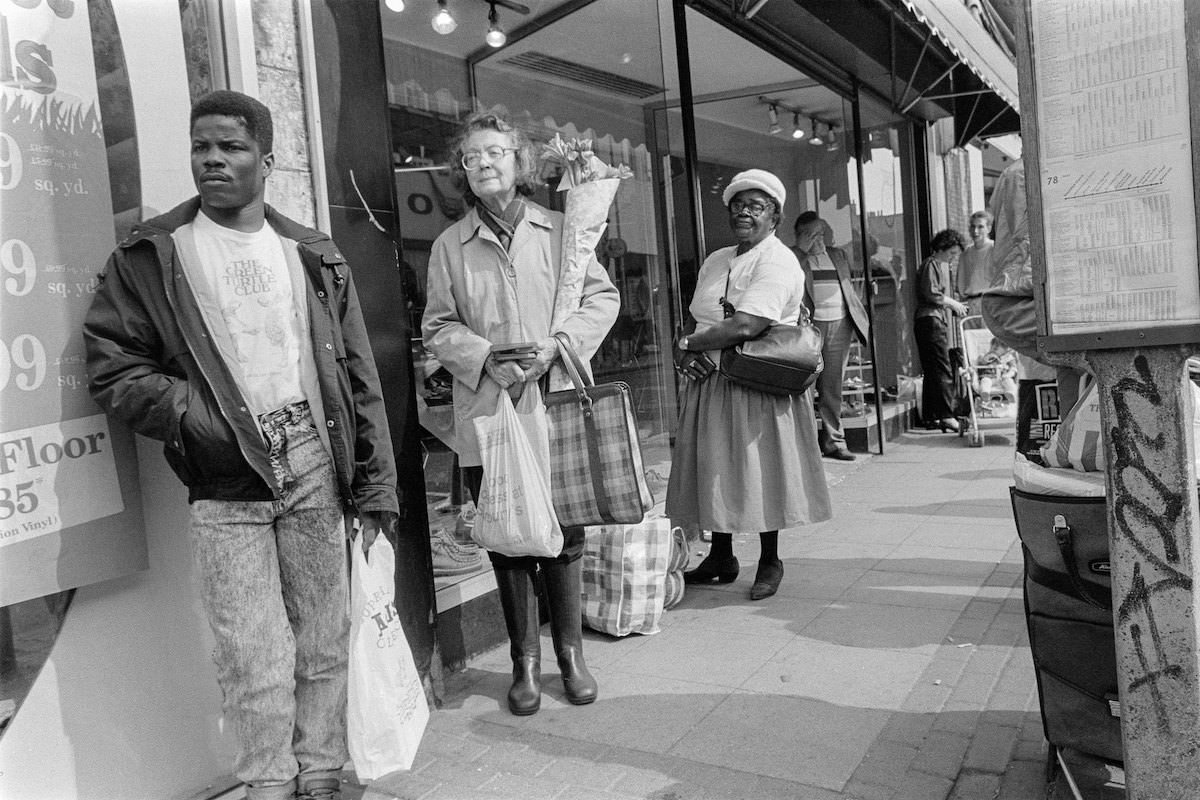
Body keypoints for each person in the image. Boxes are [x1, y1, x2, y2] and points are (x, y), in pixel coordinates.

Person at [83, 91, 398, 800]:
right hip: (225, 477)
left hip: (314, 457)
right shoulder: (154, 253)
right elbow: (112, 360)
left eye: (230, 146)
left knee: (323, 636)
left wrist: (377, 485)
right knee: (252, 652)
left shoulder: (310, 251)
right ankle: (267, 784)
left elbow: (355, 374)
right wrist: (193, 414)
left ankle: (320, 776)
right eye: (201, 147)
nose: (213, 160)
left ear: (268, 159)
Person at [421, 110, 618, 716]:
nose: (483, 164)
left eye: (496, 153)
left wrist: (557, 347)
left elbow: (600, 297)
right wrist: (483, 359)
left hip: (552, 400)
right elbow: (437, 325)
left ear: (519, 162)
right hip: (489, 411)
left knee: (563, 534)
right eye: (473, 157)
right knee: (508, 539)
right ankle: (523, 664)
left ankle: (570, 656)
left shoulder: (563, 230)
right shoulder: (449, 245)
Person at [666, 169, 833, 601]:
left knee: (759, 469)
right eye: (738, 205)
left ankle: (770, 560)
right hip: (711, 380)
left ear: (774, 216)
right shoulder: (717, 259)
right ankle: (721, 556)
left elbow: (746, 324)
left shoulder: (778, 261)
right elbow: (696, 314)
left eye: (756, 206)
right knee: (716, 466)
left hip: (757, 381)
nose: (744, 212)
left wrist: (688, 344)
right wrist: (683, 351)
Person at [792, 211, 871, 461]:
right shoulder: (792, 258)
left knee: (832, 387)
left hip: (839, 325)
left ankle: (834, 441)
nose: (819, 239)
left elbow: (851, 287)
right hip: (809, 329)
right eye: (813, 234)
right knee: (804, 387)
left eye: (821, 233)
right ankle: (803, 445)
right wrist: (802, 251)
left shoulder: (837, 255)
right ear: (800, 236)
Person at [914, 228, 969, 432]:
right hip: (932, 320)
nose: (953, 257)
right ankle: (946, 414)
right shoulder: (932, 265)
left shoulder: (932, 265)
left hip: (927, 320)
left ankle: (931, 415)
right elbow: (932, 293)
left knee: (932, 369)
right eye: (952, 253)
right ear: (942, 249)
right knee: (942, 368)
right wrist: (953, 303)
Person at [956, 210, 995, 315]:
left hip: (990, 304)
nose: (975, 231)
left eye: (980, 227)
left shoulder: (995, 249)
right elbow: (961, 283)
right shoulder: (965, 253)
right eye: (973, 227)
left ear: (989, 228)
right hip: (970, 305)